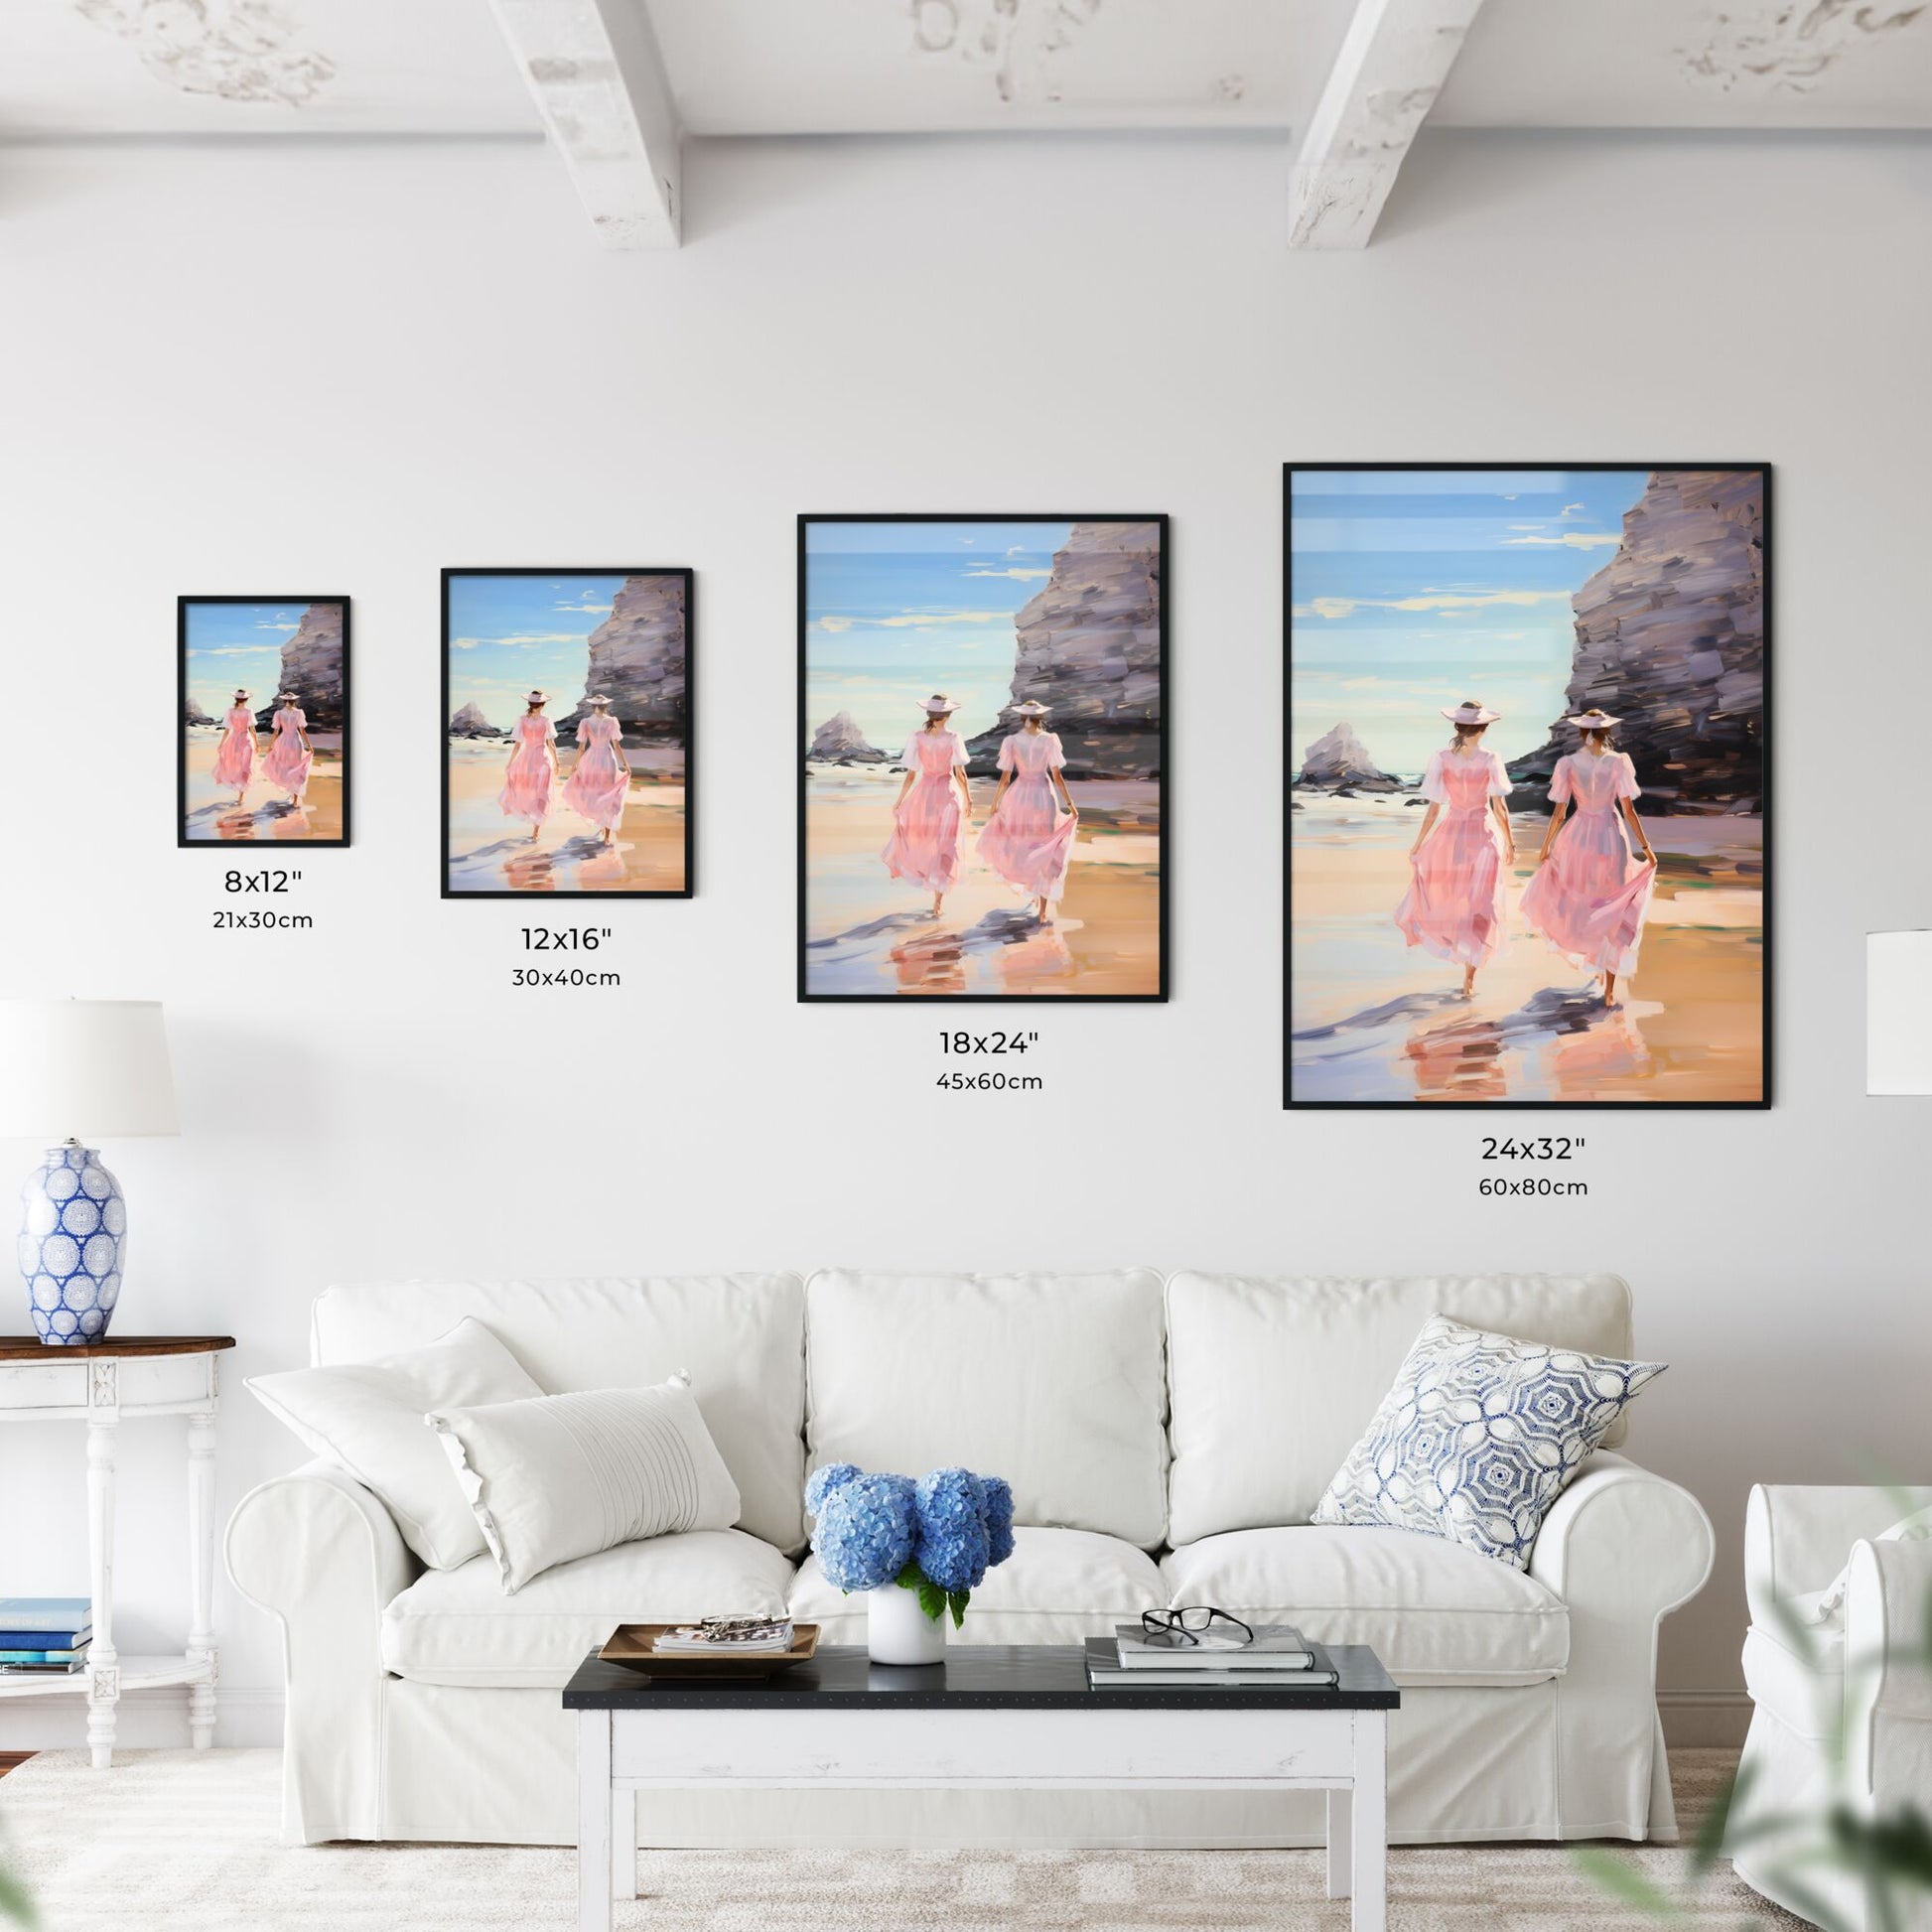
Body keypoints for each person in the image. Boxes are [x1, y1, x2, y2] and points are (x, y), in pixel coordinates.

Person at [1520, 707, 1657, 1007]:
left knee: (1583, 902)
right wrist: (1646, 848)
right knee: (1612, 905)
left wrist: (1546, 846)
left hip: (1578, 836)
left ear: (1582, 732)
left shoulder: (1568, 763)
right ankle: (1609, 988)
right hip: (1609, 834)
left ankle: (1596, 963)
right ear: (1607, 732)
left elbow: (1559, 812)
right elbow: (1628, 810)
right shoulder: (1619, 762)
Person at [1396, 700, 1514, 1000]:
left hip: (1452, 834)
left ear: (1457, 727)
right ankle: (1469, 977)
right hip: (1483, 834)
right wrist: (1510, 841)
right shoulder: (1491, 758)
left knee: (1457, 900)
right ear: (1484, 728)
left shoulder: (1442, 758)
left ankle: (1467, 970)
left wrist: (1419, 843)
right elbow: (1499, 807)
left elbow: (1434, 809)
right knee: (1480, 903)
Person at [977, 700, 1077, 923]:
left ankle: (1033, 890)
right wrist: (1070, 804)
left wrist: (995, 803)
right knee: (1045, 847)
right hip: (1043, 795)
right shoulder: (1050, 740)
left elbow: (1004, 777)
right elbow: (1057, 775)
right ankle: (1042, 910)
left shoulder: (1011, 741)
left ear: (1023, 718)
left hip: (1019, 796)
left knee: (1022, 845)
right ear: (1041, 718)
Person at [883, 694, 974, 917]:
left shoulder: (917, 737)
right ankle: (937, 902)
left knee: (930, 842)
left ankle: (935, 895)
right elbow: (960, 773)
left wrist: (900, 800)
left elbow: (911, 774)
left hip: (925, 793)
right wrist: (968, 798)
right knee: (946, 844)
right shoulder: (954, 737)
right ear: (948, 715)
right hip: (947, 793)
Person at [562, 693, 630, 845]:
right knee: (609, 794)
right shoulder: (612, 721)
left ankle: (601, 822)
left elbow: (580, 747)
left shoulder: (585, 722)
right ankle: (606, 836)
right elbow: (617, 746)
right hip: (607, 759)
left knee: (594, 793)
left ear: (593, 706)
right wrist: (625, 764)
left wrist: (574, 764)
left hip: (591, 759)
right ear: (606, 706)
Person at [499, 689, 558, 840]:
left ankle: (533, 824)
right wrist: (556, 761)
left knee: (531, 790)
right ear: (543, 704)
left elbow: (518, 745)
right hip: (543, 758)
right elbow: (551, 744)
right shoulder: (546, 720)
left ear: (530, 703)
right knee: (541, 792)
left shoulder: (522, 720)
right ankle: (536, 831)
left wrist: (510, 762)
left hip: (527, 758)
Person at [261, 690, 313, 806]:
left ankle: (291, 791)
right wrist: (309, 744)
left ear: (285, 701)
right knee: (296, 768)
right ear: (294, 701)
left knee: (285, 767)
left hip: (283, 741)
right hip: (295, 741)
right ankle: (294, 799)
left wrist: (270, 745)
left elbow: (275, 732)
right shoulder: (299, 713)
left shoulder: (279, 713)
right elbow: (302, 731)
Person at [211, 688, 259, 805]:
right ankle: (241, 795)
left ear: (236, 698)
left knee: (238, 765)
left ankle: (240, 794)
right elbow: (252, 730)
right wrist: (257, 743)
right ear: (246, 699)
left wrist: (221, 744)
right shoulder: (248, 711)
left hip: (235, 740)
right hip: (245, 740)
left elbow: (227, 730)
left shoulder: (232, 711)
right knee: (244, 766)